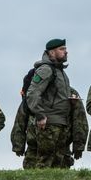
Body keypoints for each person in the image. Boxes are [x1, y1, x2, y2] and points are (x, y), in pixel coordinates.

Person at [26, 38, 72, 168]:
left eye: (65, 49)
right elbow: (33, 93)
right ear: (51, 53)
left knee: (58, 163)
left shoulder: (60, 72)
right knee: (45, 162)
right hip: (49, 124)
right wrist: (40, 115)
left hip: (61, 122)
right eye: (62, 49)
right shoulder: (46, 69)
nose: (66, 52)